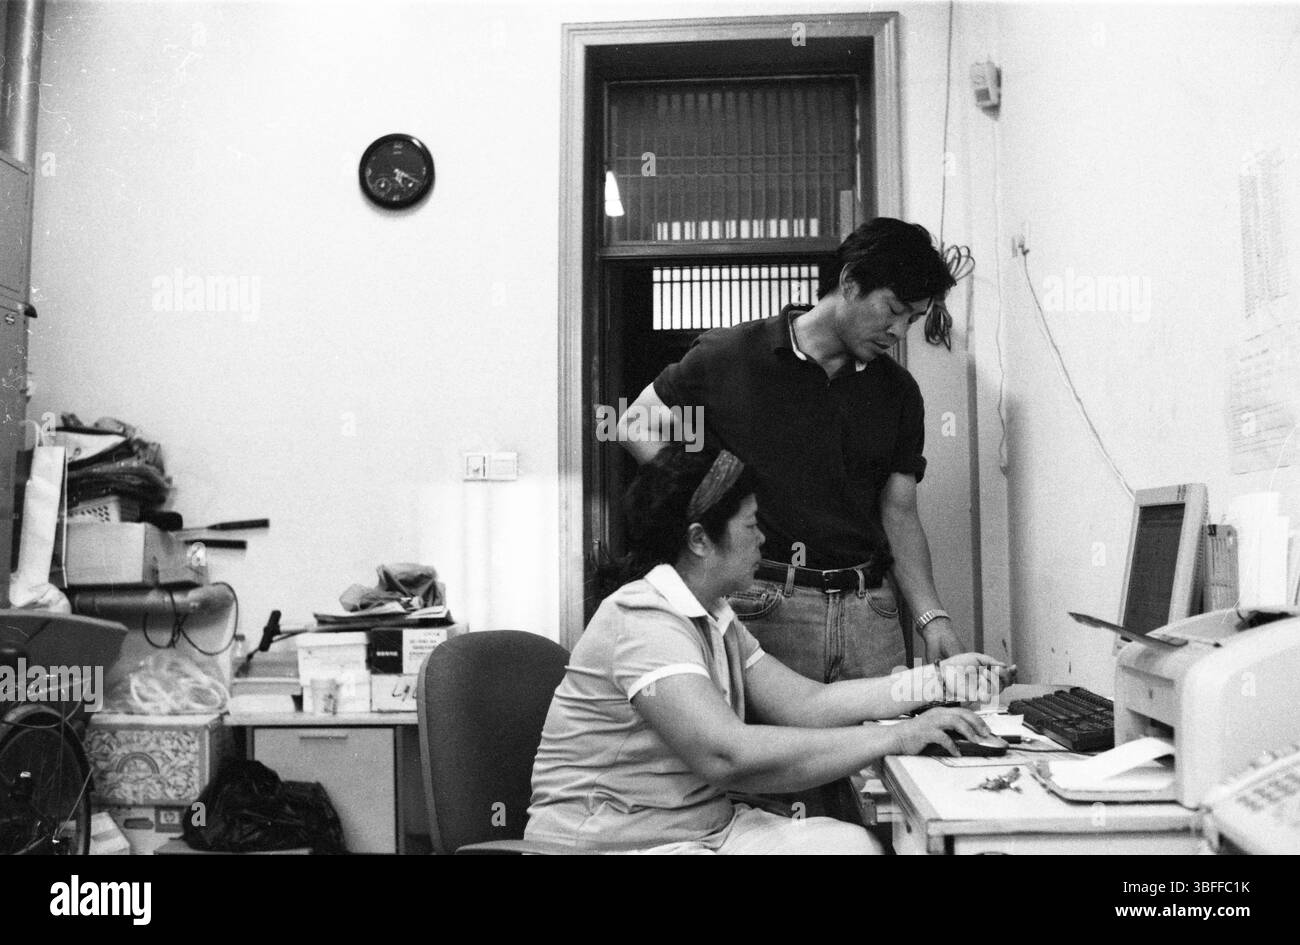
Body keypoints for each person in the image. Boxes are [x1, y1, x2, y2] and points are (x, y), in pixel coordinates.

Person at [525, 446, 1009, 854]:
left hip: (698, 831)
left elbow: (807, 704)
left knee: (853, 847)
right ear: (699, 540)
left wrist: (938, 681)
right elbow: (725, 755)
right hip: (616, 844)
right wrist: (895, 738)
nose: (763, 540)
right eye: (751, 525)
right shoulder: (644, 620)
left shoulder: (711, 612)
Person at [619, 219, 971, 689]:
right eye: (894, 310)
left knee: (892, 753)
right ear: (849, 283)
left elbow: (900, 513)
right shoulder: (732, 353)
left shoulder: (898, 391)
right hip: (764, 602)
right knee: (773, 754)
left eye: (912, 318)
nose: (900, 330)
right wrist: (710, 495)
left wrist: (933, 618)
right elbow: (632, 423)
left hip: (872, 613)